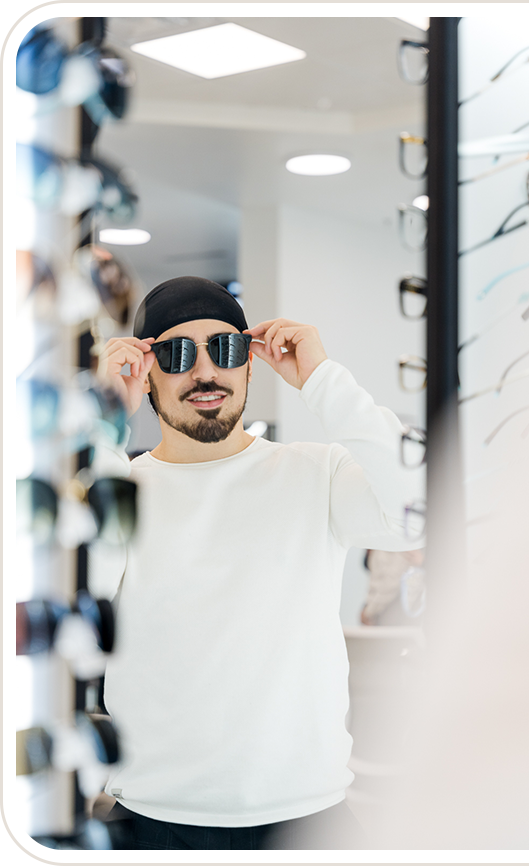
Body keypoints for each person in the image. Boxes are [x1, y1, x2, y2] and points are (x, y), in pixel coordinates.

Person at [94, 275, 425, 850]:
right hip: (155, 821)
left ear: (250, 363)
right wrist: (100, 425)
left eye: (224, 349)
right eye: (175, 354)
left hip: (311, 820)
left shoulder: (316, 472)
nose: (204, 373)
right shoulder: (121, 485)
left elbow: (415, 512)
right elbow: (84, 581)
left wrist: (322, 378)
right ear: (146, 376)